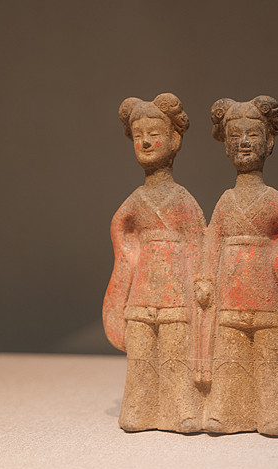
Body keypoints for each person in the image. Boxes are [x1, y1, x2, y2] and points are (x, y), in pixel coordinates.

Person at [196, 96, 278, 436]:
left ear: (269, 142)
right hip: (230, 295)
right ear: (226, 146)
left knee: (270, 357)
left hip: (266, 291)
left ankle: (277, 415)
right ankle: (227, 413)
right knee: (230, 356)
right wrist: (206, 278)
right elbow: (212, 240)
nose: (244, 143)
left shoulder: (273, 199)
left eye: (252, 135)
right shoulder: (226, 200)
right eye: (235, 136)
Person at [103, 93, 206, 433]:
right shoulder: (135, 200)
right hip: (142, 292)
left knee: (176, 356)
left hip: (176, 295)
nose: (145, 141)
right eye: (138, 136)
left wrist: (199, 285)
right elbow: (121, 232)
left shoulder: (183, 199)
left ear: (175, 140)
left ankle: (183, 410)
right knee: (141, 357)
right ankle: (137, 409)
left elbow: (198, 244)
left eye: (153, 134)